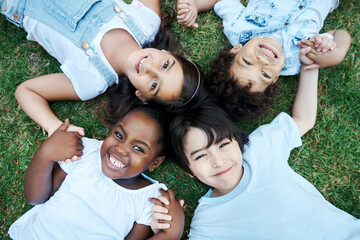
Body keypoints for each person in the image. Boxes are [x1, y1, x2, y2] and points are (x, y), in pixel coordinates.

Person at [149, 48, 360, 239]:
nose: (218, 161)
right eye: (201, 155)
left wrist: (309, 66)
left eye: (223, 144)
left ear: (238, 141)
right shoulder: (207, 223)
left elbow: (303, 120)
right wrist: (167, 232)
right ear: (189, 170)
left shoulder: (260, 148)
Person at [0, 0, 202, 136]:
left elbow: (27, 91)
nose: (150, 68)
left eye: (154, 84)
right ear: (169, 54)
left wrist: (54, 127)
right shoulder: (148, 21)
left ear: (142, 96)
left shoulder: (91, 81)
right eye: (166, 65)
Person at [7, 100, 184, 240]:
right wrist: (45, 154)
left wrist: (170, 235)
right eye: (119, 135)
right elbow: (36, 198)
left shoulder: (150, 199)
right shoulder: (85, 151)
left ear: (155, 163)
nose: (121, 149)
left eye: (138, 149)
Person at [175, 0, 351, 121]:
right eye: (265, 74)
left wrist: (195, 6)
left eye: (248, 62)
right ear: (275, 79)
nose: (263, 60)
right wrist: (337, 52)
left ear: (236, 49)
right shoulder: (302, 57)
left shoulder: (238, 28)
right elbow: (339, 34)